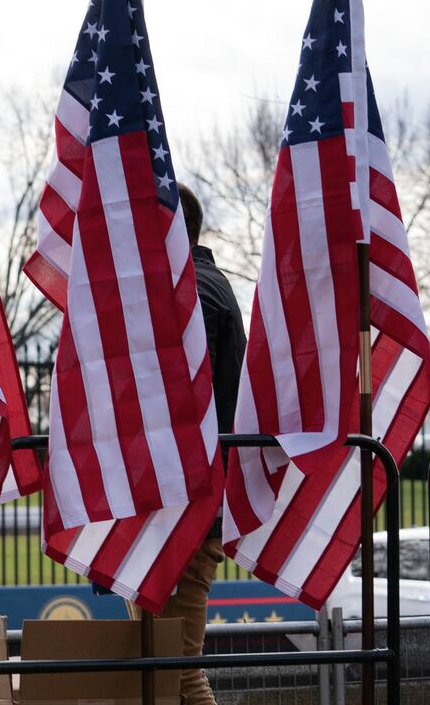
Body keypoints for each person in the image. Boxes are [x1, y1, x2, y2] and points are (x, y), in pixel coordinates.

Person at [163, 183, 248, 705]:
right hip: (191, 501)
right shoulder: (208, 284)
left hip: (185, 506)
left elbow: (183, 401)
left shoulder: (191, 289)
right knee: (165, 668)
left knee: (176, 671)